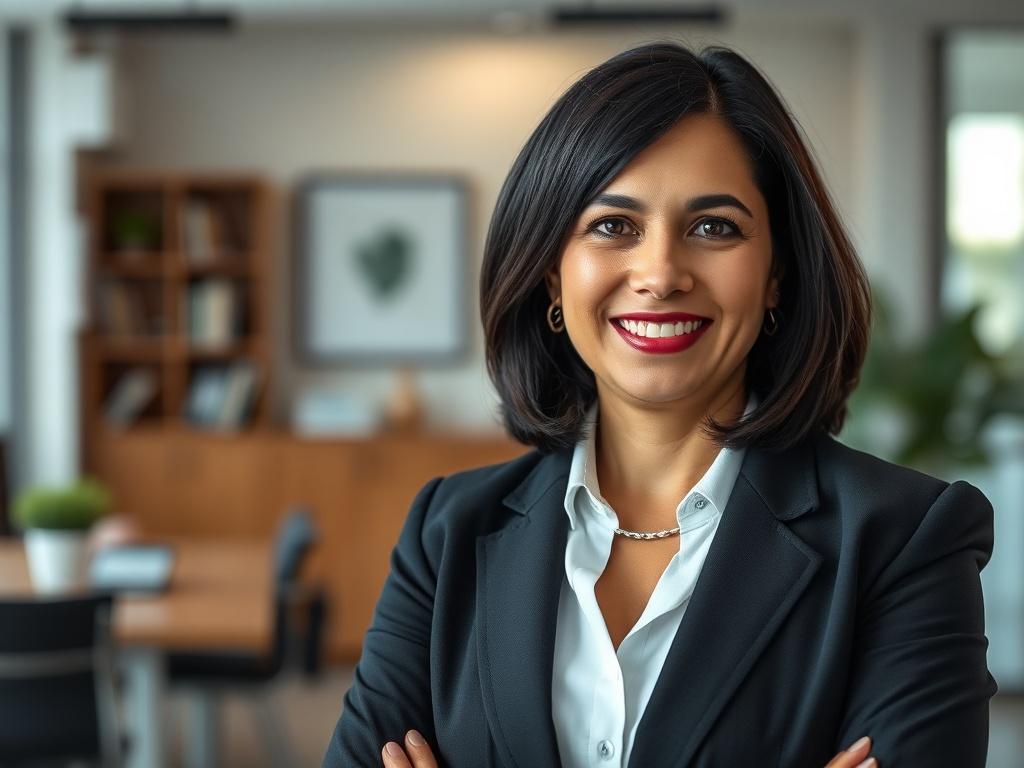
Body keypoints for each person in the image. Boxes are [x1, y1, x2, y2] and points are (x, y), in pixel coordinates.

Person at [322, 40, 998, 768]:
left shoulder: (904, 541)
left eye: (715, 227)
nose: (661, 272)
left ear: (777, 275)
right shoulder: (446, 534)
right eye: (613, 225)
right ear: (552, 274)